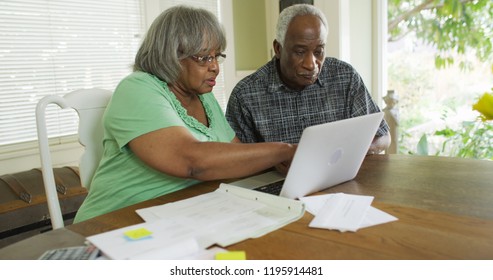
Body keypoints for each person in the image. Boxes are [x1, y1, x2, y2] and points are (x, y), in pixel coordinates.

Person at [74, 5, 296, 223]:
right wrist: (283, 151)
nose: (215, 67)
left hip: (179, 217)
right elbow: (191, 161)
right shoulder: (137, 88)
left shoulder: (204, 97)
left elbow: (234, 156)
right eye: (204, 58)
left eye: (216, 56)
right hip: (112, 225)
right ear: (170, 56)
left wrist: (272, 164)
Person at [226, 4, 390, 155]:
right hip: (276, 184)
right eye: (299, 52)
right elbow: (235, 160)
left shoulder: (345, 77)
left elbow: (383, 137)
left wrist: (345, 153)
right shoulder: (245, 95)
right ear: (278, 48)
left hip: (340, 180)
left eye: (319, 52)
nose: (311, 64)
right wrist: (274, 158)